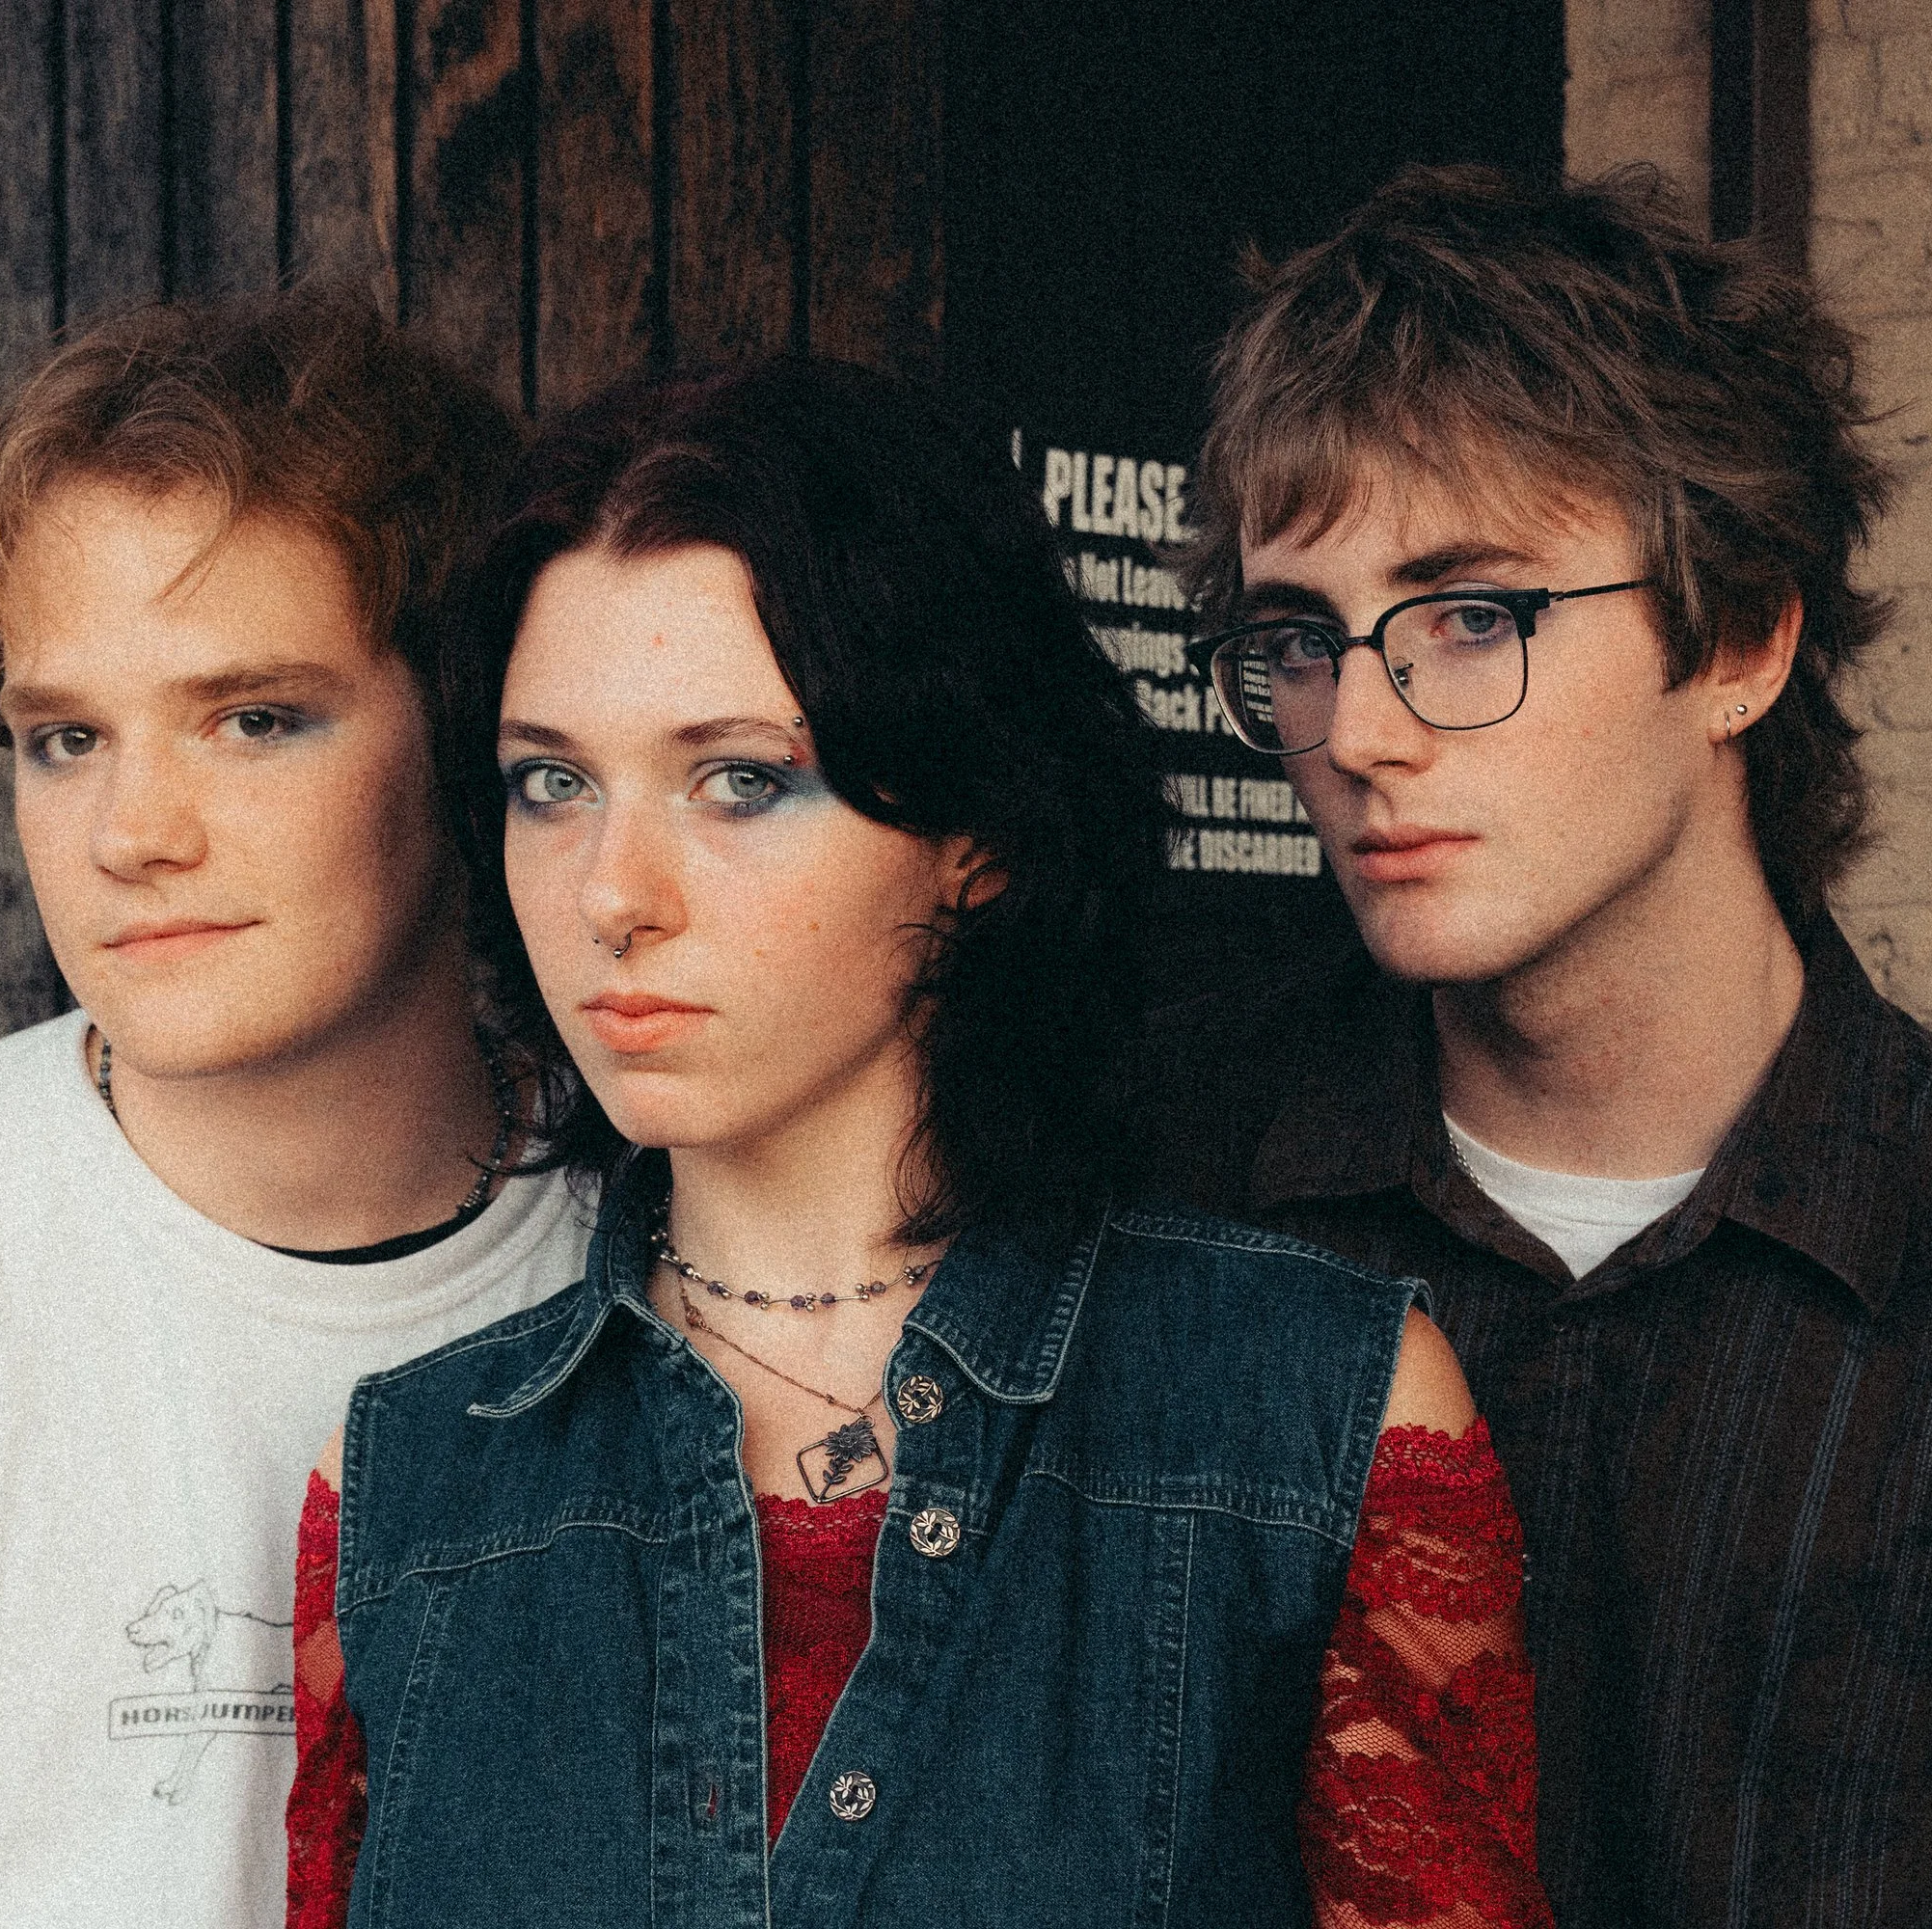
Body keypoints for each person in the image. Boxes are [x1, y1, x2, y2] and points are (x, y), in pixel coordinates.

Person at [283, 360, 1552, 1927]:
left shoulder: (1309, 1414)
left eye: (740, 780)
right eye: (553, 784)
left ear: (978, 837)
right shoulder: (408, 1488)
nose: (614, 892)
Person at [1145, 164, 1932, 1923]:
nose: (1360, 731)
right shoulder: (1168, 1197)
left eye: (1472, 614)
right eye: (1298, 641)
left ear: (1740, 637)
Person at [0, 289, 591, 1928]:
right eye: (65, 738)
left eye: (253, 718)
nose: (132, 831)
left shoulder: (675, 1263)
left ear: (473, 730)